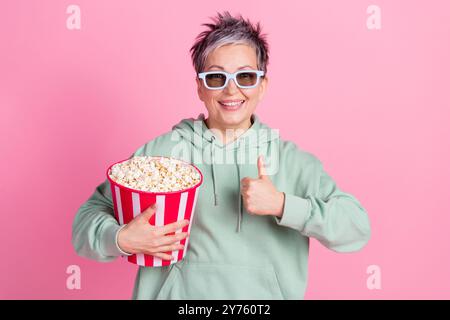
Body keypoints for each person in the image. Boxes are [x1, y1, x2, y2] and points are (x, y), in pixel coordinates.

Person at [72, 11, 371, 300]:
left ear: (262, 86)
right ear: (200, 88)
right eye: (216, 78)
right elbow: (84, 225)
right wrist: (120, 238)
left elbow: (355, 229)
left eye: (246, 77)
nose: (231, 90)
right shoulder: (160, 155)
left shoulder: (294, 162)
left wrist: (283, 204)